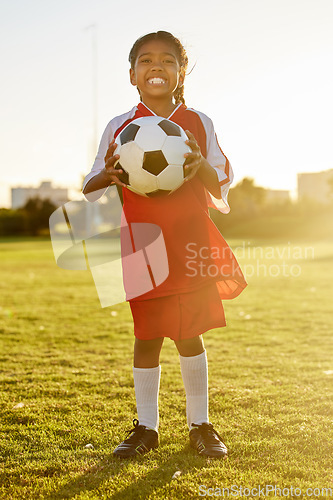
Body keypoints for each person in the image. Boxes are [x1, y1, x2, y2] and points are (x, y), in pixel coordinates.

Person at [82, 31, 247, 458]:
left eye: (168, 60)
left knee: (190, 333)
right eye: (146, 60)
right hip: (142, 244)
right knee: (148, 336)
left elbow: (221, 179)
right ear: (133, 75)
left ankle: (201, 425)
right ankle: (146, 427)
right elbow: (89, 185)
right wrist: (109, 175)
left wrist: (197, 168)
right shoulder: (119, 127)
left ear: (181, 72)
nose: (157, 66)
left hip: (190, 241)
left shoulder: (199, 122)